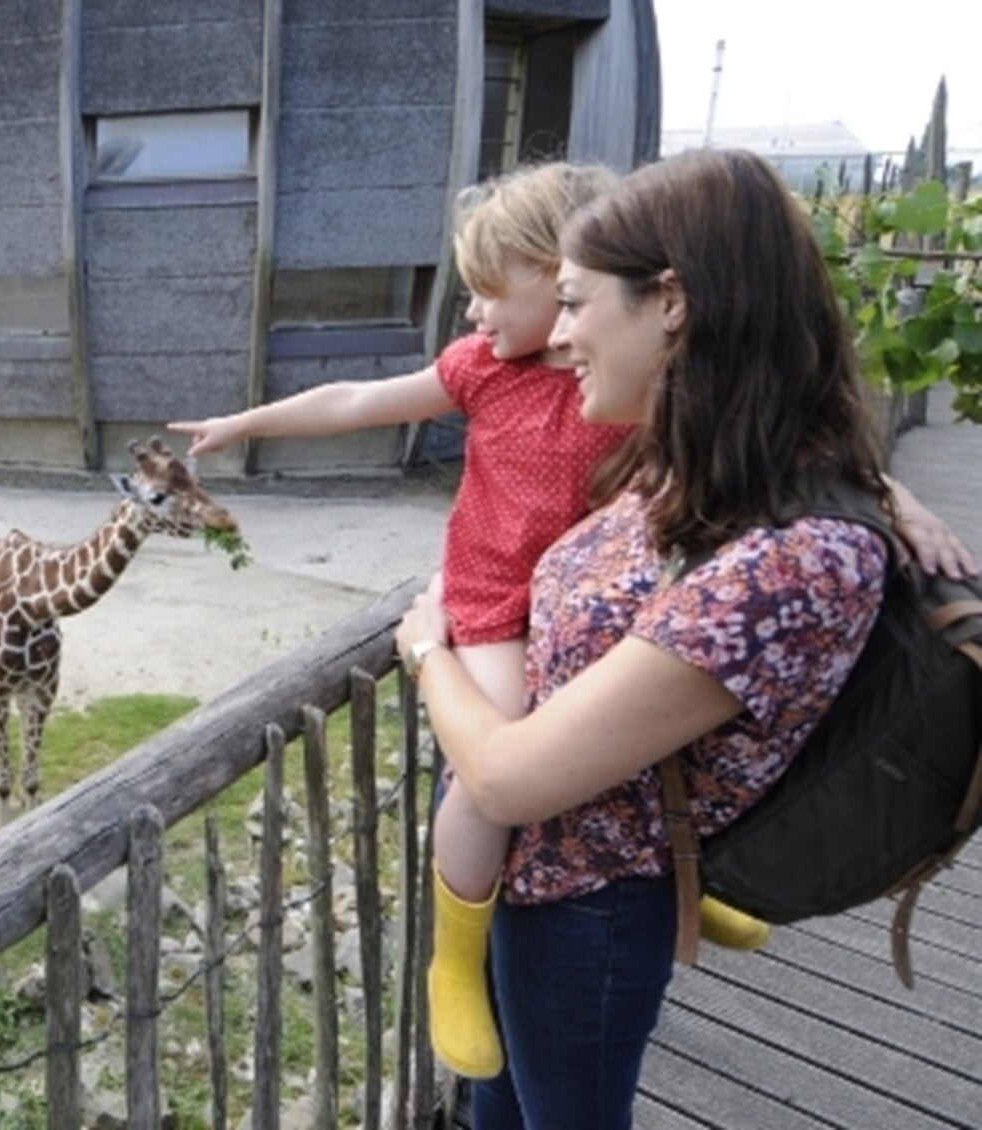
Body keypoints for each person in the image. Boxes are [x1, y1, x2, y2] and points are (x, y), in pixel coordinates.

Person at [393, 146, 974, 1128]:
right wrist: (891, 489)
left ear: (669, 302)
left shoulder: (783, 560)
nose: (557, 336)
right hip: (535, 886)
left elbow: (500, 779)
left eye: (575, 304)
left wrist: (425, 650)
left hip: (592, 909)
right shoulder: (698, 467)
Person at [172, 161, 765, 1080]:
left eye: (492, 292)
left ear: (561, 274)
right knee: (490, 773)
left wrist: (886, 502)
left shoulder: (626, 366)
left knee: (646, 736)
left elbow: (763, 438)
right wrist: (246, 422)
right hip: (492, 602)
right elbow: (361, 401)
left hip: (597, 596)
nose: (475, 313)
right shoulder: (481, 369)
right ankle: (454, 952)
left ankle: (692, 879)